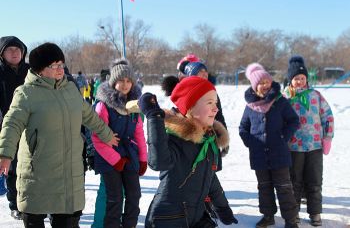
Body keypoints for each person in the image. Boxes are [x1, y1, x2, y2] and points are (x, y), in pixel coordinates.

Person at [0, 42, 118, 228]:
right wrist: (5, 154)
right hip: (38, 171)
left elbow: (88, 115)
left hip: (68, 171)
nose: (59, 69)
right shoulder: (26, 93)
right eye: (53, 66)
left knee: (67, 221)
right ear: (39, 70)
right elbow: (12, 123)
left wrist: (106, 134)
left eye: (61, 64)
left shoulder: (70, 89)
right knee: (34, 217)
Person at [139, 76, 238, 227]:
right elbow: (158, 162)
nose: (216, 108)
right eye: (209, 103)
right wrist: (154, 118)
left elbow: (210, 179)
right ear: (190, 107)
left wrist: (222, 207)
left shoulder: (208, 139)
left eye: (216, 103)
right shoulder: (176, 138)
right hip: (168, 219)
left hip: (196, 217)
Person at [239, 63, 300, 228]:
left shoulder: (280, 101)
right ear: (254, 86)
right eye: (261, 82)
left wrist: (283, 137)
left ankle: (290, 220)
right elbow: (243, 128)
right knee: (264, 187)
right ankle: (268, 216)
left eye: (267, 81)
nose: (265, 85)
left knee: (284, 187)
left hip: (279, 153)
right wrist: (252, 143)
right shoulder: (250, 107)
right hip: (259, 155)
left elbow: (294, 121)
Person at [91, 59, 147, 228]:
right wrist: (116, 160)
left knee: (134, 195)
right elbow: (97, 138)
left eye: (128, 81)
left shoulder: (133, 106)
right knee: (114, 197)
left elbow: (139, 133)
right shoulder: (103, 106)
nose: (125, 84)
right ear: (113, 82)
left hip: (129, 155)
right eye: (121, 80)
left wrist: (143, 159)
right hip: (108, 158)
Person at [283, 55, 334, 227]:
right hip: (294, 147)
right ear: (290, 80)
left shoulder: (316, 95)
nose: (300, 81)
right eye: (296, 78)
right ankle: (294, 213)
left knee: (314, 181)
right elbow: (276, 119)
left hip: (314, 147)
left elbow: (328, 116)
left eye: (302, 78)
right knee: (294, 182)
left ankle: (315, 213)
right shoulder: (285, 97)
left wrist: (328, 136)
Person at [0, 36, 29, 220]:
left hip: (30, 124)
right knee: (11, 167)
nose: (15, 52)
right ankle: (15, 204)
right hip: (7, 126)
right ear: (2, 53)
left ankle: (33, 202)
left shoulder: (30, 71)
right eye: (10, 49)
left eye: (18, 49)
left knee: (31, 166)